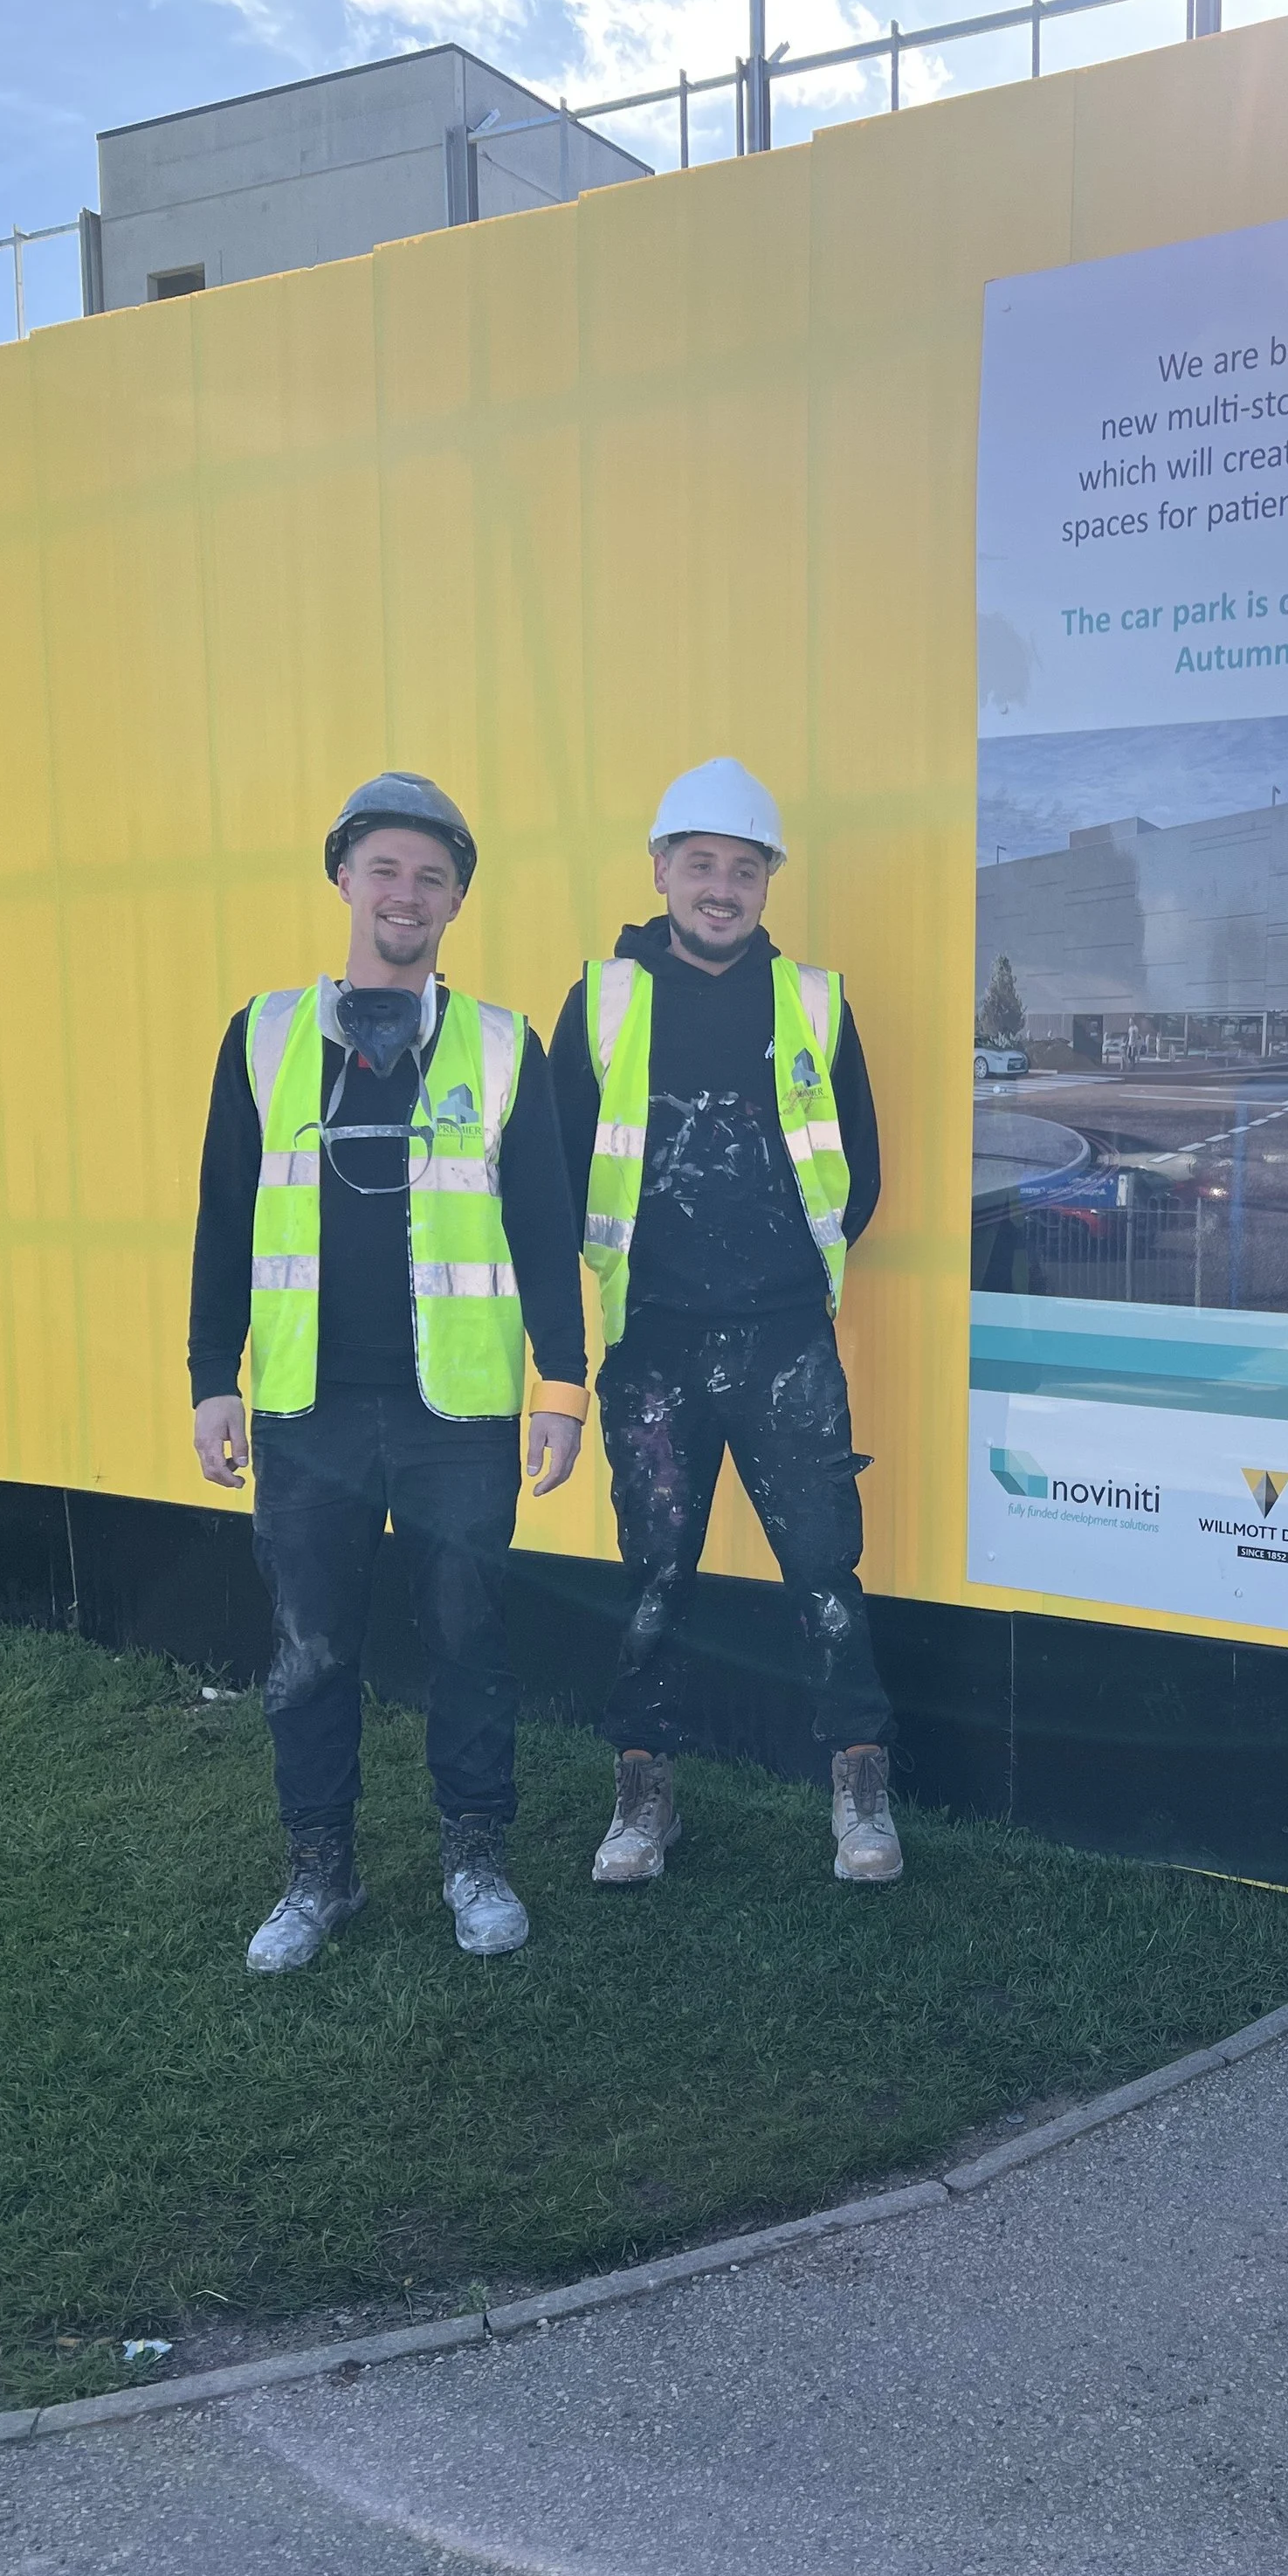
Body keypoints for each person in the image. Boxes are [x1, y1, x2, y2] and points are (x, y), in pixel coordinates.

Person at [189, 773, 589, 1970]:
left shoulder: (504, 1046)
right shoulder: (263, 1036)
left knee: (469, 1637)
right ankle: (323, 1870)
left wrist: (561, 1388)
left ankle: (475, 1855)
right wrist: (216, 1375)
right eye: (385, 868)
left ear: (457, 899)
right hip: (308, 1408)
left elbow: (543, 1226)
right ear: (344, 878)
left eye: (431, 875)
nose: (405, 893)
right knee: (312, 1651)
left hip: (457, 1411)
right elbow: (221, 1215)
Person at [548, 759, 901, 1887]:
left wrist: (782, 1281)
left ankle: (860, 1795)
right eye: (700, 863)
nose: (721, 887)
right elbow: (557, 1177)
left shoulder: (812, 1003)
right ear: (661, 870)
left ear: (766, 884)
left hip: (786, 1340)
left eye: (743, 869)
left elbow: (860, 1169)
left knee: (825, 1574)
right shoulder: (602, 1002)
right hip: (651, 1342)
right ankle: (645, 1801)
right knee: (654, 1574)